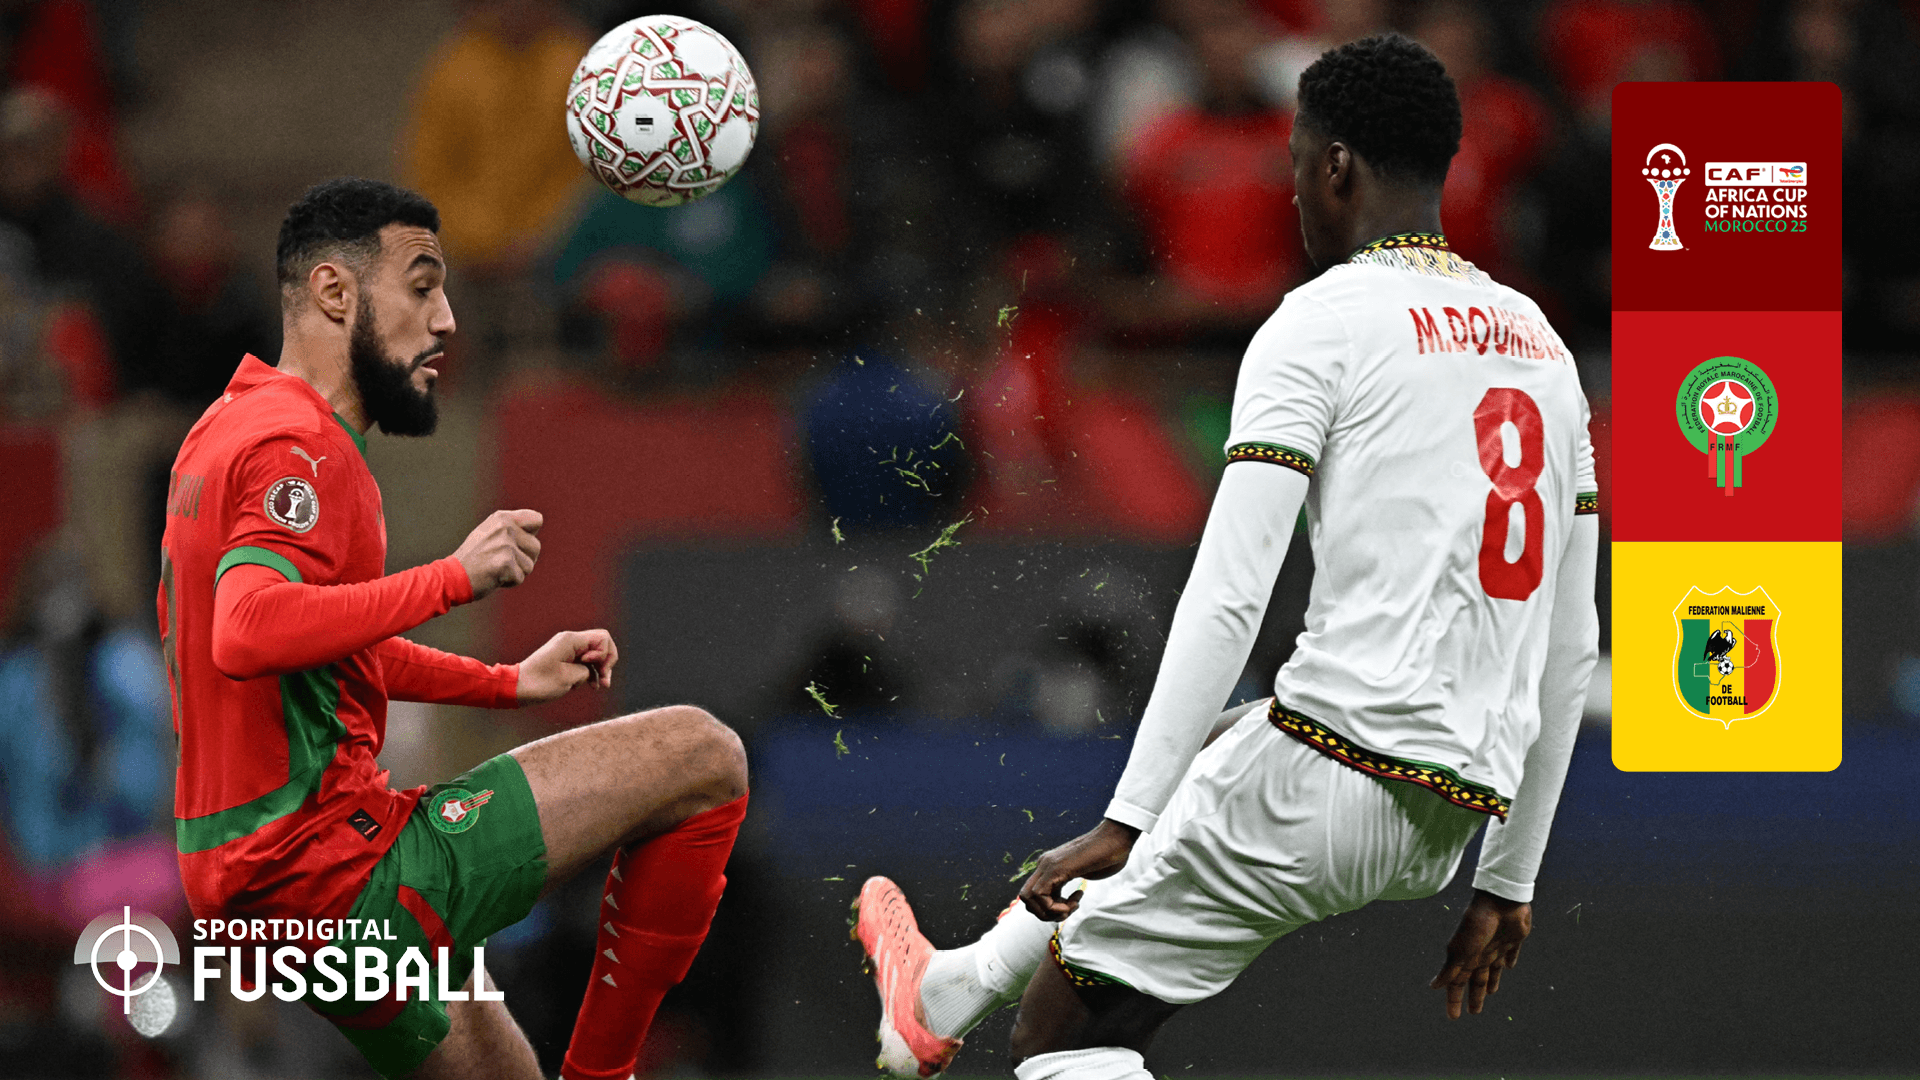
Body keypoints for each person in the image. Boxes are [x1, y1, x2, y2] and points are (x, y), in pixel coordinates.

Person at [852, 34, 1598, 1080]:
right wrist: (1509, 881)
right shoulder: (1544, 348)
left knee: (1067, 1031)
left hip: (1332, 769)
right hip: (1448, 815)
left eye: (1294, 162)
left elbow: (1232, 591)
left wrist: (1124, 818)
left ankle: (950, 999)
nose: (1290, 190)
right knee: (1223, 748)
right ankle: (947, 992)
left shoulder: (1320, 323)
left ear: (1334, 165)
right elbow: (1570, 645)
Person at [158, 177, 748, 1080]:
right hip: (329, 871)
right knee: (702, 755)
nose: (446, 321)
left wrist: (505, 683)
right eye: (423, 287)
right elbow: (247, 632)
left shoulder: (227, 423)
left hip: (247, 885)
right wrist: (453, 579)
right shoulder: (300, 447)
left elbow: (322, 646)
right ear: (334, 292)